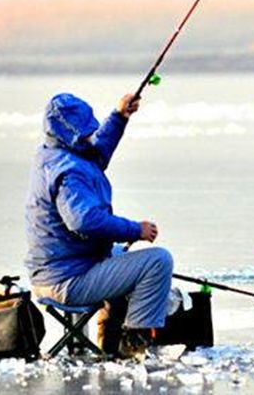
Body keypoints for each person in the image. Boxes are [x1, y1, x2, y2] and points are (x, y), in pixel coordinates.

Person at [24, 92, 173, 358]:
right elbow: (84, 221)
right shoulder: (69, 172)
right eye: (83, 132)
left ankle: (109, 338)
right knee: (158, 261)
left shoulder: (51, 153)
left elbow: (95, 153)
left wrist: (119, 117)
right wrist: (135, 229)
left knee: (120, 256)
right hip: (69, 280)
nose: (88, 137)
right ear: (70, 133)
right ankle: (133, 344)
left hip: (54, 269)